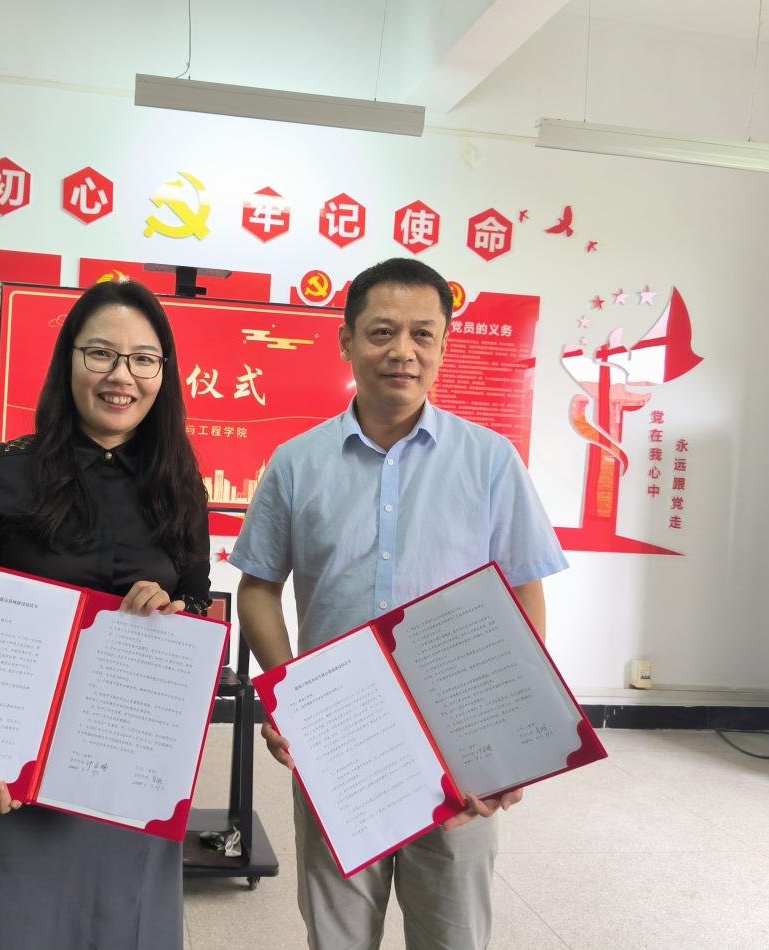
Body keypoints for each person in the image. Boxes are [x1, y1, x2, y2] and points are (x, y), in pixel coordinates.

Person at [229, 257, 568, 950]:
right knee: (337, 934)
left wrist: (514, 737)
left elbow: (523, 589)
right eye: (382, 331)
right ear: (346, 340)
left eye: (422, 334)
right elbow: (258, 586)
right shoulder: (296, 463)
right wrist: (287, 693)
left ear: (443, 344)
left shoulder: (489, 460)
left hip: (459, 737)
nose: (402, 351)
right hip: (336, 734)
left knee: (452, 932)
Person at [0, 279, 211, 950]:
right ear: (68, 361)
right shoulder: (4, 470)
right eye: (101, 354)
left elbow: (199, 600)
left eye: (143, 359)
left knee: (123, 921)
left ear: (163, 374)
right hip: (14, 767)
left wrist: (173, 612)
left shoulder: (178, 484)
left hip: (129, 761)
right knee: (9, 923)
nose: (122, 376)